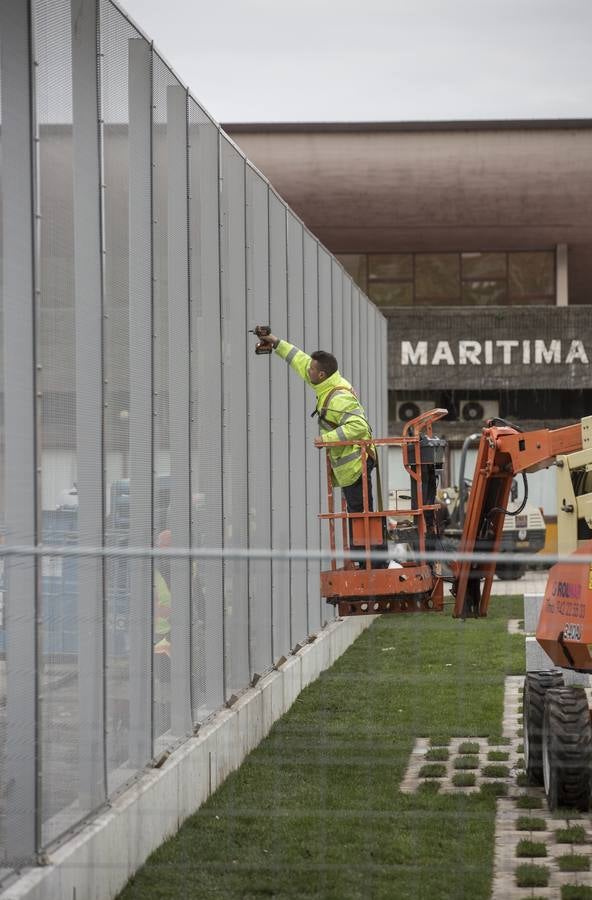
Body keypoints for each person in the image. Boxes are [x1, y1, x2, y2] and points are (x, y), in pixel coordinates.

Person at [256, 332, 387, 566]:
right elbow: (300, 360)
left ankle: (373, 563)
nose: (308, 371)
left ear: (322, 375)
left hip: (355, 464)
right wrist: (275, 342)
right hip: (351, 466)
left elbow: (359, 426)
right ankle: (366, 560)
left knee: (360, 514)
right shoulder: (326, 383)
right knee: (358, 513)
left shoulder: (338, 398)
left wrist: (326, 438)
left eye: (312, 371)